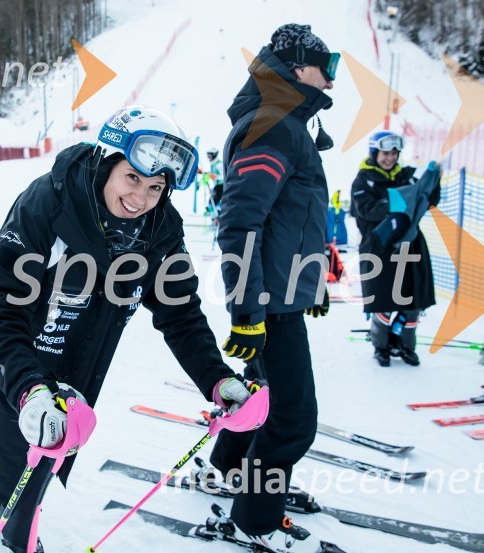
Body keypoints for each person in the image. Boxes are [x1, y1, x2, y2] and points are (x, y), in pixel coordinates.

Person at [0, 106, 252, 553]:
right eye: (132, 178)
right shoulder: (49, 203)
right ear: (110, 162)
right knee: (12, 453)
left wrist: (217, 379)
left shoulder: (160, 232)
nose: (140, 197)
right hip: (8, 352)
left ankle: (13, 505)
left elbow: (180, 313)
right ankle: (3, 510)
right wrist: (29, 388)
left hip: (73, 362)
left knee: (49, 452)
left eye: (155, 188)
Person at [209, 24, 340, 552]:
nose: (331, 78)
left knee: (262, 401)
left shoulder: (286, 122)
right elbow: (240, 223)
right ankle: (256, 520)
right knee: (292, 422)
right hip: (267, 305)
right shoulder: (273, 125)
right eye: (324, 65)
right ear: (297, 66)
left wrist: (313, 283)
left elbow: (292, 220)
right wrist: (246, 311)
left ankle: (231, 470)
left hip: (280, 297)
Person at [351, 131, 439, 367]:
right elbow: (366, 210)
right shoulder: (363, 180)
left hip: (411, 245)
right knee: (383, 302)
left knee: (411, 302)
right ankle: (381, 347)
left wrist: (432, 180)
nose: (389, 158)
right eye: (384, 153)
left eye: (393, 153)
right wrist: (395, 201)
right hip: (379, 247)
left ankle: (406, 346)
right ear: (374, 153)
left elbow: (429, 200)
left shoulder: (408, 177)